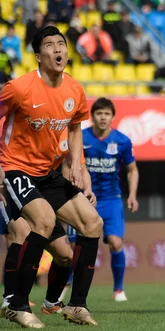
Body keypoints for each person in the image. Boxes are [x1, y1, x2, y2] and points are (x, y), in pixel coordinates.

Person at [0, 26, 103, 328]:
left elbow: (74, 127)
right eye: (50, 45)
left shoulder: (75, 90)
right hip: (17, 167)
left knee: (92, 224)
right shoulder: (19, 88)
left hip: (48, 173)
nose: (58, 49)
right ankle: (17, 304)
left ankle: (76, 306)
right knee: (43, 221)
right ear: (38, 55)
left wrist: (78, 164)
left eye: (62, 44)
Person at [1, 129, 96, 317]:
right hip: (14, 185)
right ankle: (11, 299)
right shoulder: (18, 121)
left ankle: (52, 301)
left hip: (46, 189)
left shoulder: (66, 130)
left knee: (65, 256)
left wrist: (86, 189)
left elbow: (77, 165)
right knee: (19, 235)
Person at [74, 97, 139, 302]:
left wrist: (132, 195)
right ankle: (65, 288)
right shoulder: (80, 138)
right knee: (72, 247)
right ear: (92, 116)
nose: (103, 117)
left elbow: (132, 170)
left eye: (107, 113)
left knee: (116, 242)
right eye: (99, 113)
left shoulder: (122, 141)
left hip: (111, 199)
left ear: (112, 116)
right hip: (84, 199)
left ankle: (118, 290)